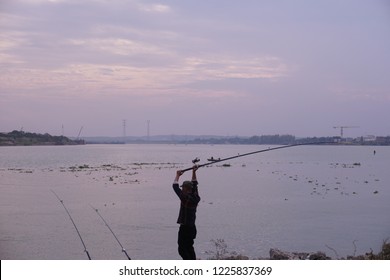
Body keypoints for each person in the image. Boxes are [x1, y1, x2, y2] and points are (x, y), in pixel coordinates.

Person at [172, 165, 200, 260]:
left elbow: (175, 186)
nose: (182, 189)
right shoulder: (195, 197)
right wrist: (194, 171)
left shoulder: (185, 198)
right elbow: (195, 183)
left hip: (185, 228)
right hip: (192, 227)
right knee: (190, 247)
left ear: (186, 189)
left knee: (182, 249)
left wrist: (178, 175)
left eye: (183, 188)